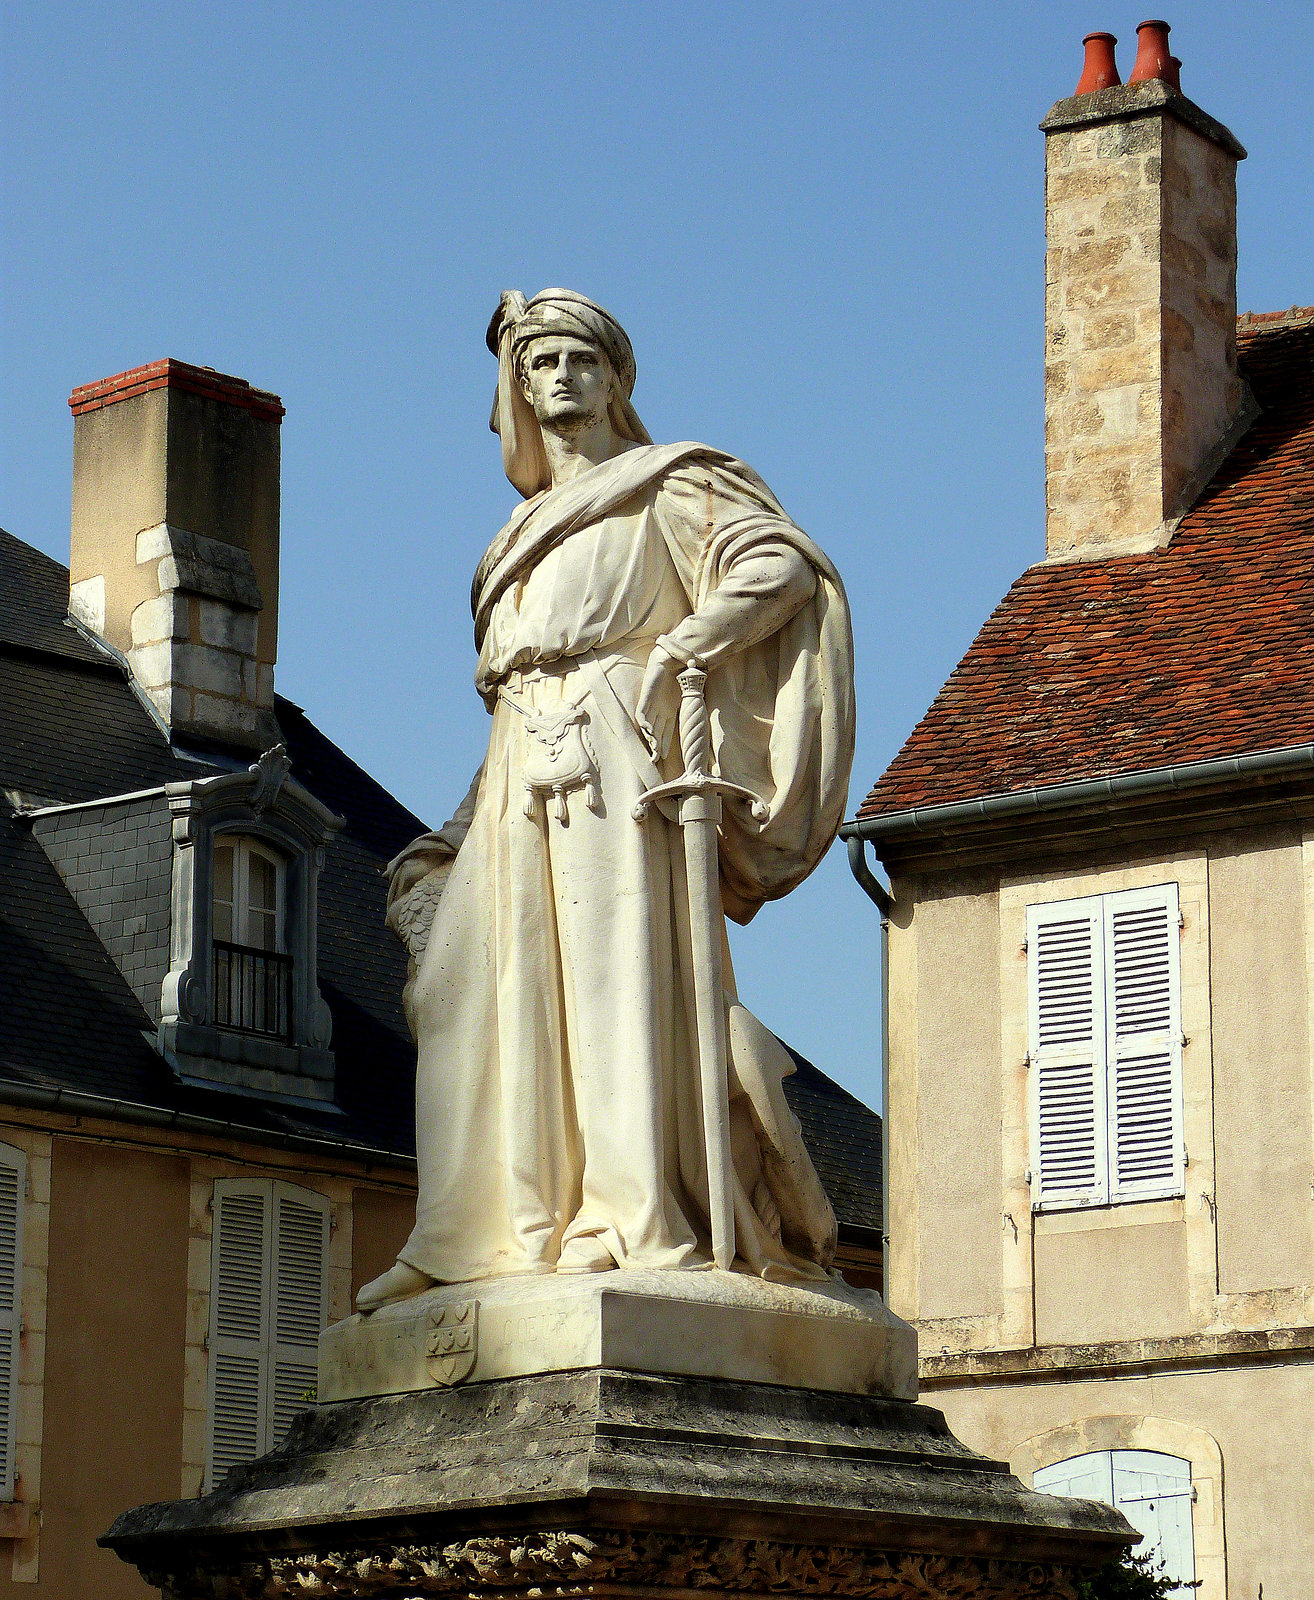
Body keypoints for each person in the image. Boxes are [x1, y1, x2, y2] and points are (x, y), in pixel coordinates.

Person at [356, 288, 855, 1310]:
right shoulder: (511, 539)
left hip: (617, 750)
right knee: (463, 990)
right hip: (516, 766)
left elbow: (781, 565)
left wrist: (694, 639)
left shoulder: (664, 485)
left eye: (582, 360)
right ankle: (472, 1231)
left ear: (616, 380)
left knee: (611, 988)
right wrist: (449, 833)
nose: (562, 379)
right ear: (518, 392)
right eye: (541, 365)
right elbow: (506, 702)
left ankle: (625, 1215)